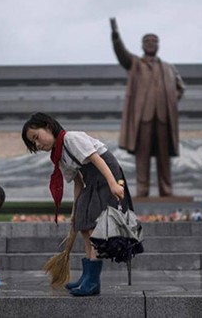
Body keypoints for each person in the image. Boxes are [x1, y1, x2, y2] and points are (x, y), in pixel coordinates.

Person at [22, 112, 133, 297]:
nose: (38, 144)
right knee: (82, 225)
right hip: (91, 181)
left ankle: (92, 281)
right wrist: (76, 210)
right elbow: (78, 183)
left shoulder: (71, 138)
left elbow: (97, 159)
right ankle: (87, 276)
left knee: (93, 228)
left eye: (37, 137)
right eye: (33, 144)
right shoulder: (58, 156)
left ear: (48, 127)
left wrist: (113, 183)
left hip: (106, 174)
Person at [110, 17, 185, 197]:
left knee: (164, 158)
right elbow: (122, 54)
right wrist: (115, 36)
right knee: (142, 157)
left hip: (163, 118)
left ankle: (166, 190)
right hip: (143, 117)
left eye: (154, 41)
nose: (151, 44)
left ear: (158, 45)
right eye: (147, 41)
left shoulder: (168, 68)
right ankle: (142, 190)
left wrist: (169, 100)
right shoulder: (135, 63)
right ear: (142, 45)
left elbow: (180, 88)